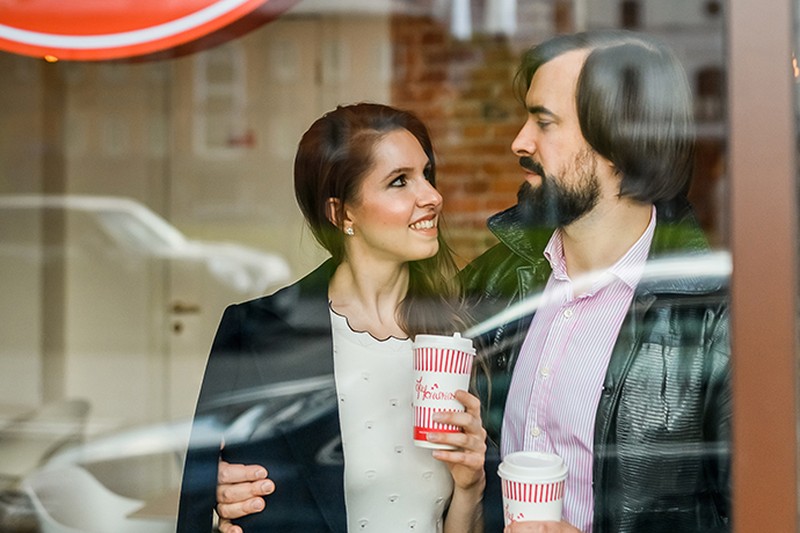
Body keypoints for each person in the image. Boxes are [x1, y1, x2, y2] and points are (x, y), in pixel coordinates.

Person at [213, 29, 731, 533]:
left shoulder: (719, 321)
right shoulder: (488, 288)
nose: (518, 141)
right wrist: (216, 495)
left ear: (622, 142)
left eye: (544, 122)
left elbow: (764, 514)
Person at [176, 103, 487, 533]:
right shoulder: (258, 332)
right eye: (400, 181)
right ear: (342, 214)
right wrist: (216, 508)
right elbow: (205, 504)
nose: (431, 196)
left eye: (426, 174)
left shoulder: (456, 336)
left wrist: (471, 486)